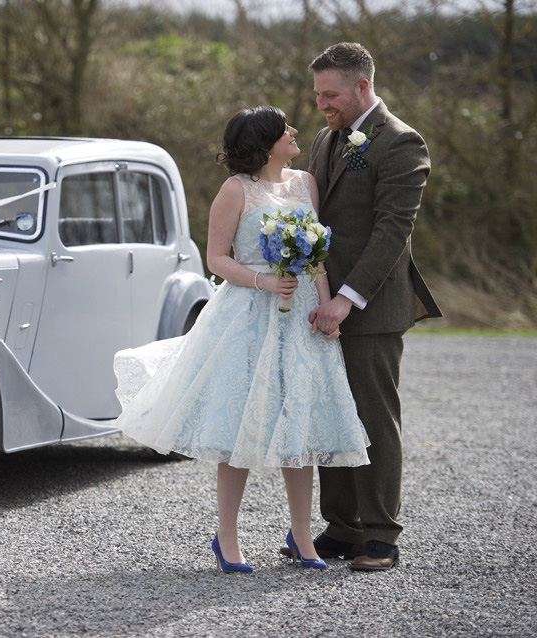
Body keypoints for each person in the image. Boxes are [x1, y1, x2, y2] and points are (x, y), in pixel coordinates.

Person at [112, 105, 370, 573]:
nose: (294, 132)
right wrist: (263, 281)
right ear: (264, 142)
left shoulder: (306, 183)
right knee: (238, 427)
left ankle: (303, 536)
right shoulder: (236, 190)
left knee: (302, 424)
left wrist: (326, 309)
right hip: (249, 314)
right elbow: (215, 259)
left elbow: (319, 259)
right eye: (283, 129)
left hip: (301, 317)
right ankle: (226, 539)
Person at [298, 42, 442, 572]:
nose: (322, 105)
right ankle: (341, 526)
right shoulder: (323, 138)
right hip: (320, 306)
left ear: (363, 87)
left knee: (373, 418)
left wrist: (346, 298)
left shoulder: (402, 143)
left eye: (330, 94)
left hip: (372, 307)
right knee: (330, 415)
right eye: (317, 95)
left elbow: (391, 233)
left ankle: (381, 533)